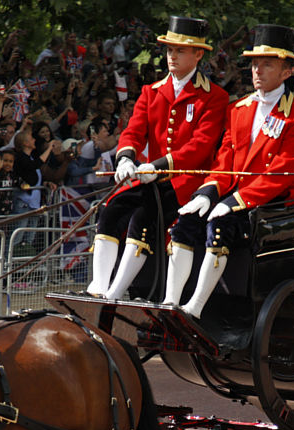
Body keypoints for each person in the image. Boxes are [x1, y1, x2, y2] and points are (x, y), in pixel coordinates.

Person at [168, 24, 294, 318]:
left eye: (267, 65)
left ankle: (194, 308)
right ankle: (170, 305)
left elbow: (279, 175)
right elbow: (224, 162)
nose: (257, 70)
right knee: (184, 223)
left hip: (274, 204)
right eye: (255, 64)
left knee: (220, 227)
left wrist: (234, 202)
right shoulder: (239, 109)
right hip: (233, 196)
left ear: (287, 72)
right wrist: (207, 194)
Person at [88, 16, 228, 299]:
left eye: (180, 50)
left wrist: (156, 166)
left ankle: (116, 292)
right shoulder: (150, 92)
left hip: (186, 183)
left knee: (142, 217)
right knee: (111, 208)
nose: (172, 56)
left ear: (198, 54)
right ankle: (98, 287)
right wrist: (126, 158)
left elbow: (200, 147)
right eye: (169, 50)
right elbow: (133, 132)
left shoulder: (214, 97)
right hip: (150, 177)